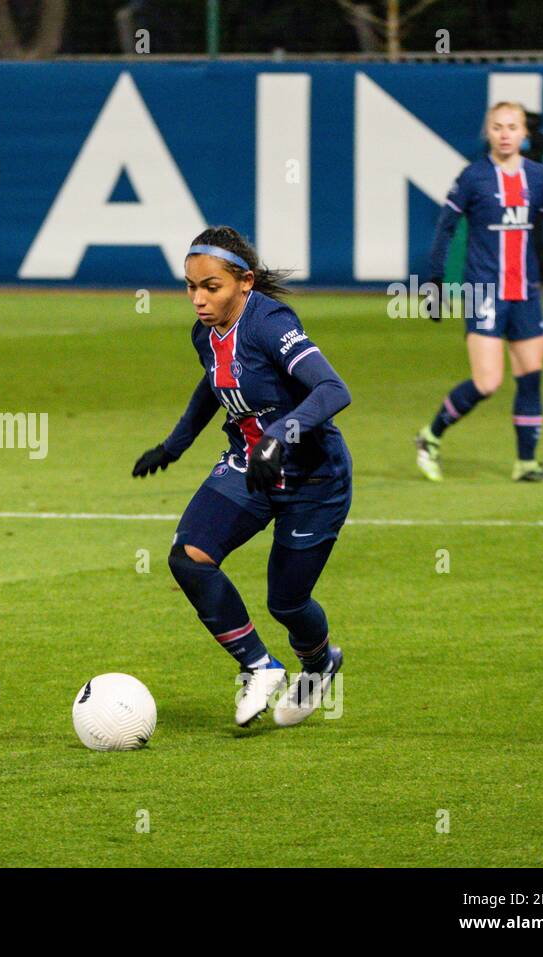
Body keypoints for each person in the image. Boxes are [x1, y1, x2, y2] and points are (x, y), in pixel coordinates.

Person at [133, 227, 353, 728]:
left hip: (313, 480)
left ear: (245, 282)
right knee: (188, 558)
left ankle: (319, 665)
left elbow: (333, 389)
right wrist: (174, 445)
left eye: (211, 286)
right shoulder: (204, 334)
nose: (198, 298)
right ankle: (260, 666)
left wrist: (280, 435)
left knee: (287, 601)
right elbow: (213, 385)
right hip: (247, 468)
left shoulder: (271, 324)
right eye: (191, 286)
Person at [415, 102, 543, 484]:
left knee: (530, 376)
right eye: (497, 127)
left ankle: (525, 464)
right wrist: (435, 280)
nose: (505, 133)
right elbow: (446, 228)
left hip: (525, 293)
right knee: (488, 382)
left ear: (525, 133)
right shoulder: (473, 177)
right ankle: (430, 437)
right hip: (485, 291)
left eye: (513, 126)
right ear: (489, 133)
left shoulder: (538, 177)